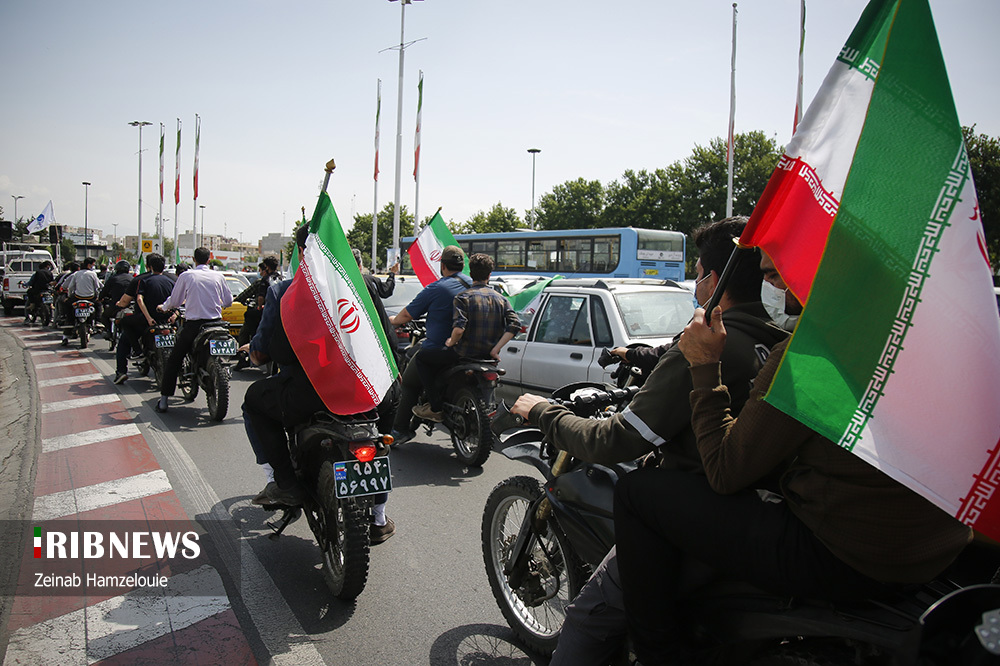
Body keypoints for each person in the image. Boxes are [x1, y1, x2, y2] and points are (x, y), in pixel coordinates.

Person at [613, 251, 972, 666]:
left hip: (849, 556)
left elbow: (725, 471)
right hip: (939, 547)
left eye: (775, 276)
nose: (776, 290)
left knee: (637, 492)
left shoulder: (813, 351)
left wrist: (704, 365)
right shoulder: (927, 336)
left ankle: (657, 656)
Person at [509, 218, 789, 666]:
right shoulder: (779, 343)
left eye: (698, 275)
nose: (696, 285)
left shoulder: (707, 348)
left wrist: (545, 413)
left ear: (713, 280)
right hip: (763, 518)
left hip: (695, 520)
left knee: (586, 619)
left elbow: (620, 439)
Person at [242, 225, 395, 541]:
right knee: (379, 441)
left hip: (309, 393)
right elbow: (388, 343)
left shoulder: (284, 291)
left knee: (254, 401)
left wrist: (254, 351)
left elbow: (263, 353)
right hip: (368, 390)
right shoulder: (361, 286)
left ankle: (284, 482)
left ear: (302, 252)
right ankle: (379, 515)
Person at [412, 253, 520, 423]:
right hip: (488, 357)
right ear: (489, 275)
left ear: (470, 273)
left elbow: (459, 329)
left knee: (422, 358)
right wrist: (495, 349)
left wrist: (451, 342)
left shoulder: (463, 297)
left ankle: (435, 408)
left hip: (463, 354)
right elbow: (515, 325)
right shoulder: (501, 299)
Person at [387, 245, 472, 443]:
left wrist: (392, 321)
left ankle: (400, 429)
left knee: (409, 382)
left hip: (441, 348)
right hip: (471, 349)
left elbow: (406, 315)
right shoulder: (474, 285)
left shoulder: (437, 288)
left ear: (442, 266)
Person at [153, 247, 233, 413]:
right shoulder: (218, 276)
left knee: (174, 360)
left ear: (194, 260)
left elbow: (175, 301)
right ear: (209, 260)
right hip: (217, 324)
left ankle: (164, 401)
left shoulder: (187, 275)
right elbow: (228, 301)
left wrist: (164, 307)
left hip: (195, 326)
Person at [113, 254, 173, 385]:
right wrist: (174, 314)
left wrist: (119, 304)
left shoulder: (141, 280)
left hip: (146, 321)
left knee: (124, 336)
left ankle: (122, 370)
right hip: (167, 320)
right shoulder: (172, 279)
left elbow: (128, 301)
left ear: (148, 266)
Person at [233, 256, 281, 370]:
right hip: (280, 313)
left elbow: (258, 297)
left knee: (244, 332)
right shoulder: (281, 279)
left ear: (266, 268)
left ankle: (243, 357)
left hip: (265, 313)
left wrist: (259, 306)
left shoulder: (263, 281)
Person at [60, 257, 102, 346]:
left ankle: (67, 319)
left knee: (67, 306)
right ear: (89, 265)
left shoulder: (76, 274)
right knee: (99, 305)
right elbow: (97, 287)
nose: (93, 266)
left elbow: (71, 287)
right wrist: (97, 296)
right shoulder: (93, 274)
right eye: (92, 265)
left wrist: (69, 296)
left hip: (77, 297)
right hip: (90, 298)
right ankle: (98, 321)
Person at [99, 260, 133, 340]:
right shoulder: (133, 279)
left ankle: (109, 331)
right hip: (130, 306)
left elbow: (104, 291)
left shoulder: (113, 279)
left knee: (104, 316)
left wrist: (100, 298)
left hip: (116, 306)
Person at [23, 260, 55, 324]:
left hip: (37, 291)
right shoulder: (50, 273)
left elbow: (30, 282)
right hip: (47, 290)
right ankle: (51, 316)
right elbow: (52, 282)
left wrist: (24, 284)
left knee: (29, 292)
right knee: (51, 303)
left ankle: (30, 308)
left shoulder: (37, 273)